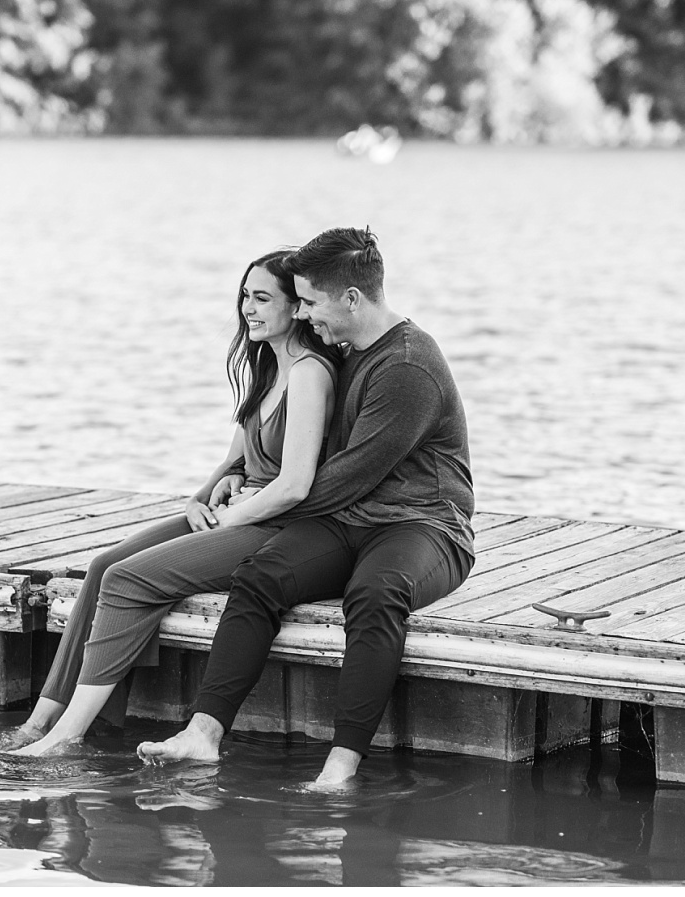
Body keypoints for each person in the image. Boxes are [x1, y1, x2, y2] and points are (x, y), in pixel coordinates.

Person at [137, 226, 475, 791]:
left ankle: (340, 768)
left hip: (424, 526)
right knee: (261, 575)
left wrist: (251, 508)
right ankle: (202, 734)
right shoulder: (346, 349)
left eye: (311, 302)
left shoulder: (408, 366)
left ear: (351, 298)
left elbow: (346, 476)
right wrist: (241, 476)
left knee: (375, 593)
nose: (304, 313)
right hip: (351, 520)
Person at [0, 251, 337, 755]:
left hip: (276, 527)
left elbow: (293, 485)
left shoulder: (311, 372)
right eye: (245, 296)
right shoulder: (268, 365)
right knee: (104, 564)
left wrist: (231, 517)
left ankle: (69, 735)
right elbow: (236, 459)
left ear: (297, 307)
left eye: (262, 298)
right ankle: (41, 717)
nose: (248, 307)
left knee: (128, 579)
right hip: (234, 512)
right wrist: (203, 498)